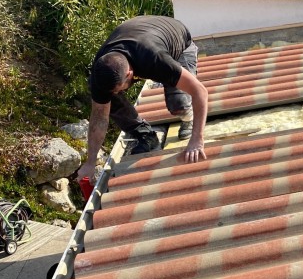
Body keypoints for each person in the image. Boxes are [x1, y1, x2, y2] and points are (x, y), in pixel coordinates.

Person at [76, 15, 209, 181]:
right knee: (107, 96)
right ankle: (146, 135)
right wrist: (90, 162)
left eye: (120, 88)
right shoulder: (103, 69)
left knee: (179, 105)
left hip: (179, 44)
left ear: (129, 74)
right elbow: (99, 117)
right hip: (140, 32)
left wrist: (197, 139)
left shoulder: (155, 59)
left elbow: (200, 92)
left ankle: (187, 118)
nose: (118, 92)